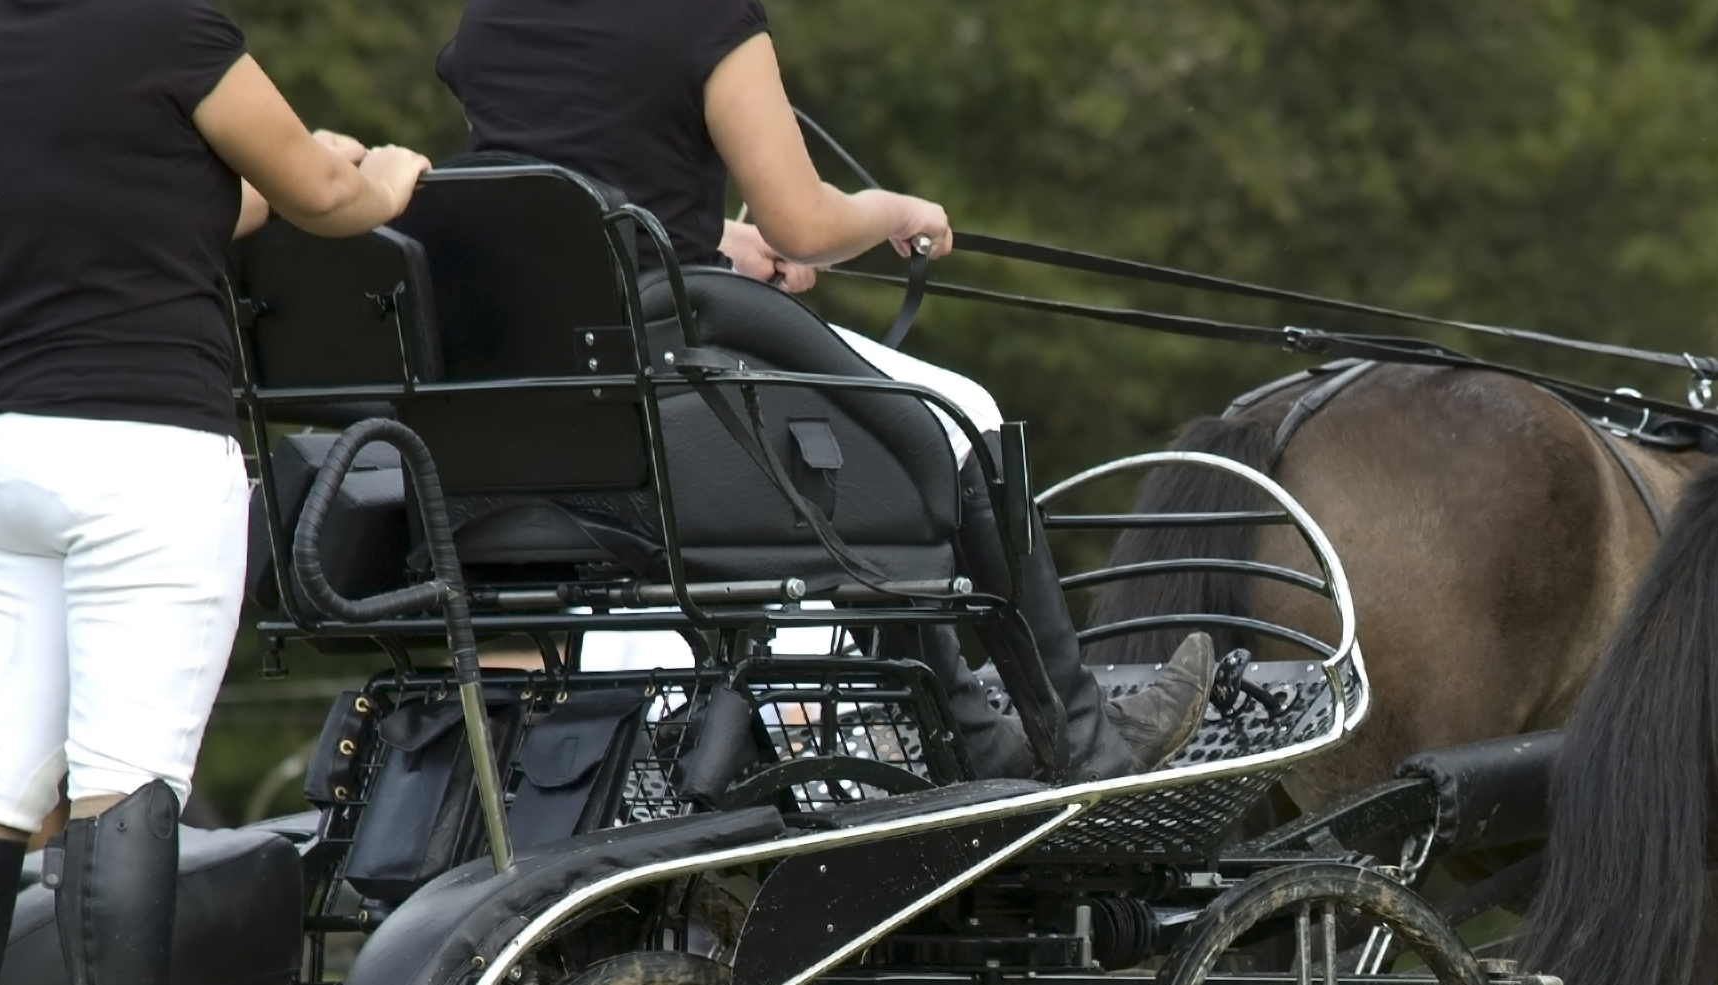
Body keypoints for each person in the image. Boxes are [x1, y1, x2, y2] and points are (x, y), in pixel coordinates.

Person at [434, 0, 1214, 783]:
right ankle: (1087, 745)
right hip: (669, 367)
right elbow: (803, 225)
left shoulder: (492, 21)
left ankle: (976, 733)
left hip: (534, 394)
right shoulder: (702, 17)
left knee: (887, 448)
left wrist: (709, 242)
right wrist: (893, 212)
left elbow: (566, 180)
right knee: (961, 415)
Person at [0, 0, 428, 985]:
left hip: (1, 451)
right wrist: (393, 170)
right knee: (131, 773)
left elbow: (187, 194)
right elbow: (320, 194)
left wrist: (291, 171)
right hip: (145, 452)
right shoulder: (173, 33)